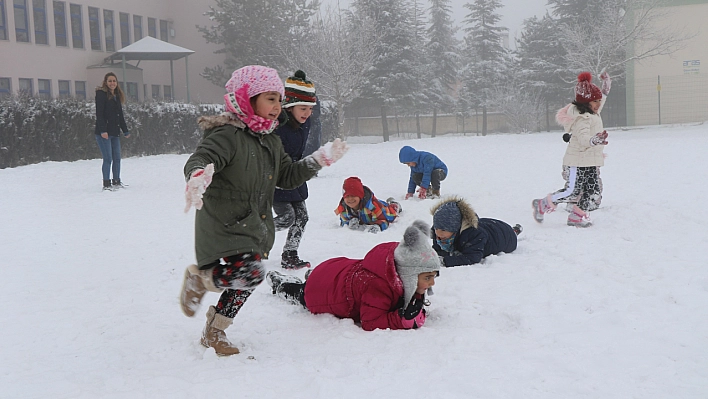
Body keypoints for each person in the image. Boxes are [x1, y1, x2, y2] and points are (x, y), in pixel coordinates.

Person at [178, 65, 348, 356]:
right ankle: (200, 280)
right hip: (224, 222)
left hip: (253, 223)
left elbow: (287, 176)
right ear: (247, 97)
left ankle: (214, 331)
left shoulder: (270, 139)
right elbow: (202, 158)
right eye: (270, 98)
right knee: (251, 273)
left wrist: (319, 159)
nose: (277, 106)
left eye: (279, 99)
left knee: (247, 280)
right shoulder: (226, 135)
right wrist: (197, 176)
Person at [266, 220, 440, 331]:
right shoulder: (378, 286)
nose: (431, 283)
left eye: (433, 276)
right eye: (427, 277)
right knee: (302, 293)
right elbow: (370, 322)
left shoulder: (397, 263)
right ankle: (281, 284)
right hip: (322, 292)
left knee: (320, 279)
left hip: (336, 269)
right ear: (408, 274)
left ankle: (313, 276)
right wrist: (399, 320)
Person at [533, 71, 611, 227]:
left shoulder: (594, 113)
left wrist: (606, 87)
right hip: (577, 161)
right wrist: (595, 140)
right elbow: (583, 140)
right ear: (586, 102)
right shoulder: (582, 118)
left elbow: (601, 98)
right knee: (572, 191)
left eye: (598, 101)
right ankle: (542, 204)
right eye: (595, 101)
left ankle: (576, 216)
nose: (598, 104)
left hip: (589, 161)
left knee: (593, 191)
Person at [273, 70, 319, 270]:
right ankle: (253, 236)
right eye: (303, 108)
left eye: (310, 108)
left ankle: (289, 254)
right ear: (289, 106)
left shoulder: (305, 121)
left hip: (296, 175)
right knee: (286, 218)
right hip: (277, 178)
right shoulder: (276, 125)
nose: (307, 113)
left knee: (302, 216)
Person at [431, 196, 522, 267]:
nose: (439, 233)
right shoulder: (438, 234)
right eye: (436, 229)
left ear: (456, 229)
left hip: (505, 235)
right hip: (487, 224)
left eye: (443, 230)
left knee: (510, 234)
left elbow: (472, 257)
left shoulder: (473, 235)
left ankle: (515, 231)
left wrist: (444, 261)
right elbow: (437, 250)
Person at [94, 72, 130, 191]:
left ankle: (116, 181)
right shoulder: (101, 95)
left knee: (117, 158)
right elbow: (99, 114)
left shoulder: (117, 96)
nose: (112, 83)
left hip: (115, 132)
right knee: (108, 158)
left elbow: (120, 115)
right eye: (110, 81)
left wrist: (125, 130)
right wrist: (103, 130)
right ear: (105, 82)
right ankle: (106, 183)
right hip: (104, 133)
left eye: (114, 81)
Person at [334, 176, 402, 234]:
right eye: (347, 196)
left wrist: (378, 226)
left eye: (353, 196)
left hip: (383, 210)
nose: (350, 199)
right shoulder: (343, 208)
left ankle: (394, 203)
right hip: (374, 208)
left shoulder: (373, 206)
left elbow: (384, 220)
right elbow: (343, 222)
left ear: (360, 195)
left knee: (391, 210)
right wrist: (349, 223)